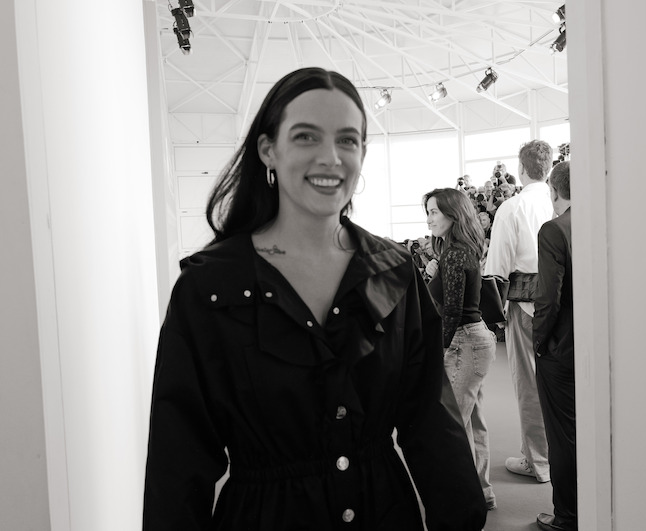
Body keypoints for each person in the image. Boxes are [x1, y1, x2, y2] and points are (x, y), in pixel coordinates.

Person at [142, 67, 487, 531]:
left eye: (347, 140)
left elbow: (431, 418)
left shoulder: (392, 272)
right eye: (306, 137)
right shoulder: (209, 288)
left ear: (363, 153)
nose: (331, 157)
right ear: (269, 149)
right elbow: (178, 456)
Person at [422, 187, 498, 510]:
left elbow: (451, 311)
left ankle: (462, 499)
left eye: (434, 212)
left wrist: (437, 351)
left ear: (453, 214)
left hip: (463, 342)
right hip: (476, 340)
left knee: (451, 425)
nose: (429, 219)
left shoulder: (454, 254)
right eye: (427, 212)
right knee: (472, 422)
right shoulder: (462, 249)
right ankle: (480, 491)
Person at [484, 139, 554, 482]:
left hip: (526, 301)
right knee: (562, 379)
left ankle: (538, 461)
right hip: (564, 300)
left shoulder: (513, 208)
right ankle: (564, 453)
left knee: (528, 382)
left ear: (521, 169)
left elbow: (495, 266)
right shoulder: (560, 203)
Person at [533, 162, 576, 531]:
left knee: (563, 436)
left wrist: (537, 342)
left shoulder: (554, 229)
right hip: (593, 347)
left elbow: (547, 297)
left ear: (554, 190)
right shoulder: (596, 220)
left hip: (562, 349)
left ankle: (567, 517)